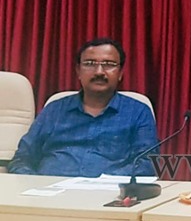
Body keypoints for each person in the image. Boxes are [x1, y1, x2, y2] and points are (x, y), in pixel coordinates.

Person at [9, 37, 159, 177]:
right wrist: (32, 185)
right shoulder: (54, 110)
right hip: (48, 190)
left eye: (109, 64)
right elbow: (22, 158)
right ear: (78, 71)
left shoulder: (137, 112)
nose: (99, 72)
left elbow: (147, 164)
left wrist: (102, 183)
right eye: (90, 64)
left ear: (120, 73)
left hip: (108, 192)